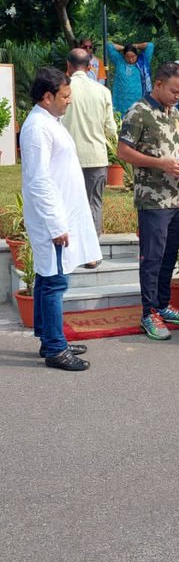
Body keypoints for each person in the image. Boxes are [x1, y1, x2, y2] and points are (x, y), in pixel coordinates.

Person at [19, 67, 101, 371]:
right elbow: (38, 181)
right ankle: (55, 348)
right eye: (65, 96)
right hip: (52, 221)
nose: (69, 101)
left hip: (59, 217)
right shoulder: (37, 128)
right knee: (54, 282)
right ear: (47, 96)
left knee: (46, 280)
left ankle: (49, 338)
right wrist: (56, 224)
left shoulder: (48, 121)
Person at [117, 62, 179, 340]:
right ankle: (148, 313)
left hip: (175, 196)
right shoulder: (139, 112)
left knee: (168, 257)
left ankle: (163, 305)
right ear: (158, 85)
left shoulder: (173, 113)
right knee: (151, 259)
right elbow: (123, 151)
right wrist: (160, 164)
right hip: (152, 201)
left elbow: (174, 149)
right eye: (175, 91)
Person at [63, 47, 117, 255]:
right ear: (90, 66)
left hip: (68, 157)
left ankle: (72, 251)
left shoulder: (64, 90)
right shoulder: (103, 92)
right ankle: (93, 254)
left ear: (68, 66)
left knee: (69, 202)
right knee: (94, 203)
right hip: (96, 156)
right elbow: (111, 129)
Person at [107, 40, 155, 115]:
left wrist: (134, 46)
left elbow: (150, 46)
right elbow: (109, 46)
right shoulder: (119, 61)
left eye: (133, 56)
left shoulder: (142, 63)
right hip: (120, 104)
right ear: (124, 56)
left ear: (137, 55)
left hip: (137, 103)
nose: (130, 59)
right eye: (127, 57)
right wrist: (125, 48)